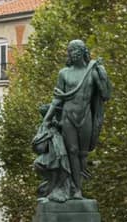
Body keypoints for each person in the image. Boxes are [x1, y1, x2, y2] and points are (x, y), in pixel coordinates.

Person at [41, 39, 112, 199]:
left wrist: (102, 74)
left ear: (82, 52)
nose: (71, 54)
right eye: (69, 51)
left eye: (74, 50)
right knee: (72, 152)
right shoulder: (64, 73)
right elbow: (57, 99)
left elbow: (105, 94)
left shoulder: (93, 72)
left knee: (83, 154)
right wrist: (47, 119)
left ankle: (78, 186)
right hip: (68, 117)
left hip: (85, 117)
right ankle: (76, 190)